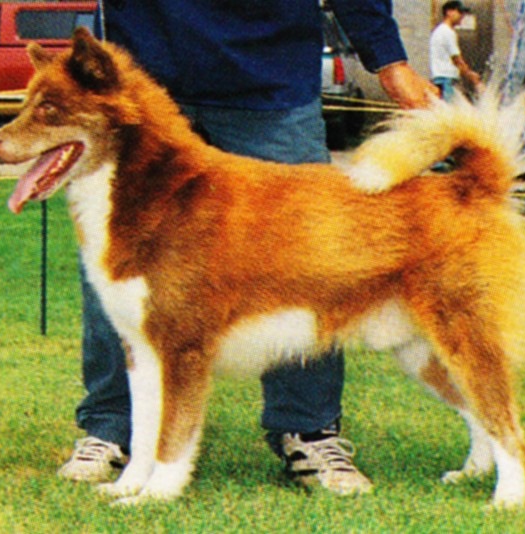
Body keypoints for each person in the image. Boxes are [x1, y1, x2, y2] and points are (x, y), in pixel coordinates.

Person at [58, 0, 438, 495]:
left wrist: (390, 60)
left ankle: (308, 429)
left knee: (307, 260)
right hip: (143, 79)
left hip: (270, 81)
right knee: (119, 259)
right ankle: (111, 428)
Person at [429, 1, 482, 101]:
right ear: (449, 12)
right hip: (447, 79)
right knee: (449, 111)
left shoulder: (439, 31)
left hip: (439, 77)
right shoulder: (447, 32)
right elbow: (457, 60)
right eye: (460, 12)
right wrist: (472, 76)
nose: (462, 16)